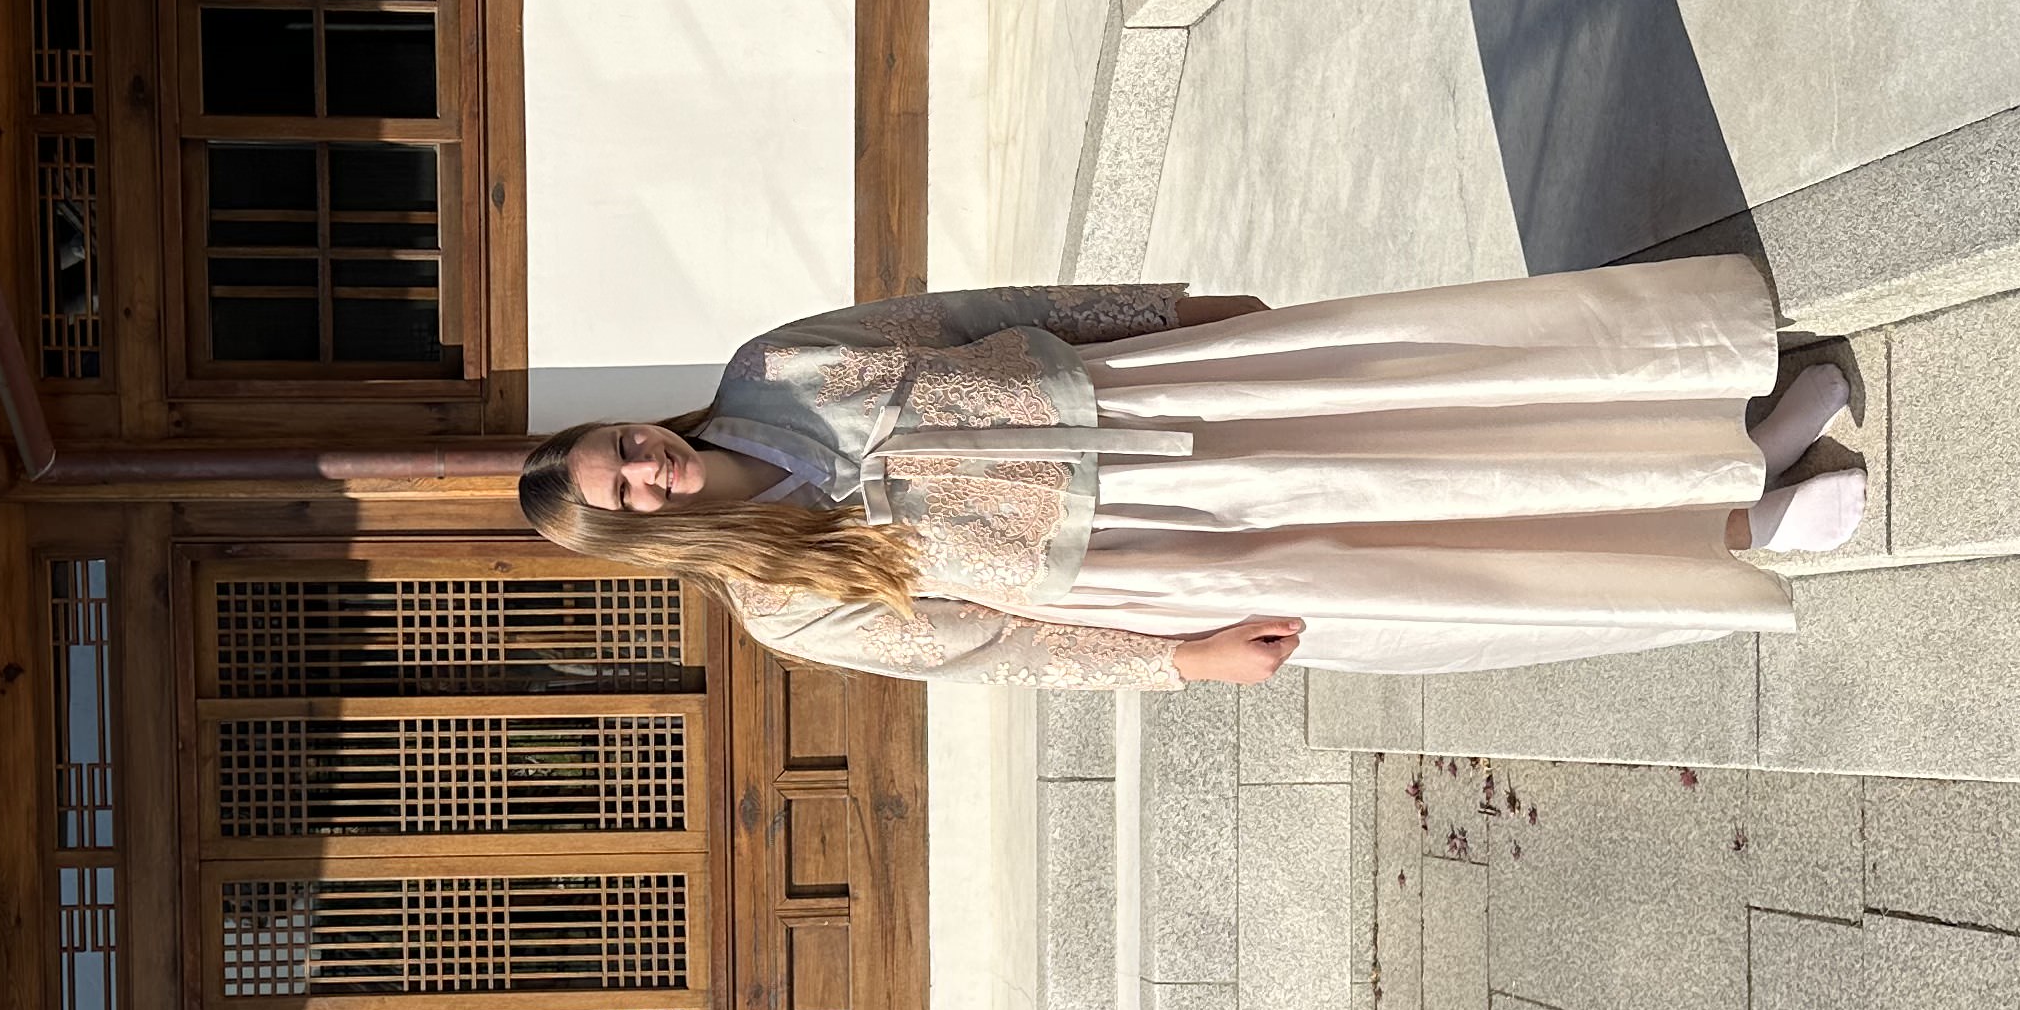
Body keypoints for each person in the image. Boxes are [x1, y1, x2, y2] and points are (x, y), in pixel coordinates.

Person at [512, 261, 1861, 688]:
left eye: (622, 447)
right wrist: (1179, 663)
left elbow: (975, 307)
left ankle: (1720, 425)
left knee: (1408, 412)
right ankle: (1742, 521)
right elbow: (998, 652)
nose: (646, 470)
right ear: (635, 538)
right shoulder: (788, 608)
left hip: (1146, 395)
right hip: (1144, 550)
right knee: (1404, 515)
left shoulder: (772, 367)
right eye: (622, 493)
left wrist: (1158, 312)